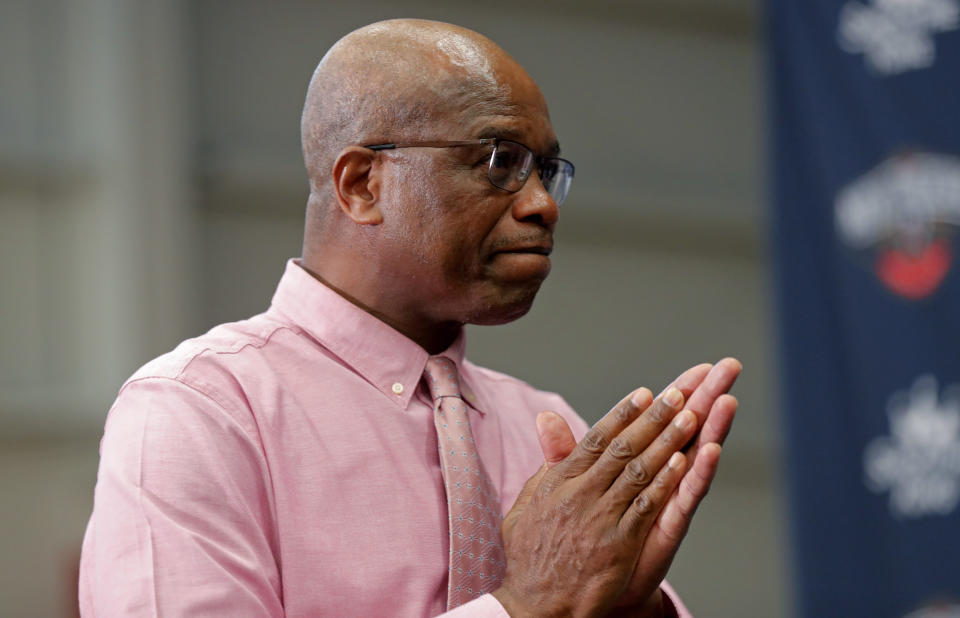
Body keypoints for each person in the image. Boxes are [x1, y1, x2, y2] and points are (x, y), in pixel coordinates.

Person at [79, 19, 740, 617]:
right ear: (363, 184)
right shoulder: (199, 415)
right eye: (501, 162)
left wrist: (632, 609)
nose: (543, 204)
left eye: (545, 169)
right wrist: (525, 607)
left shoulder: (551, 433)